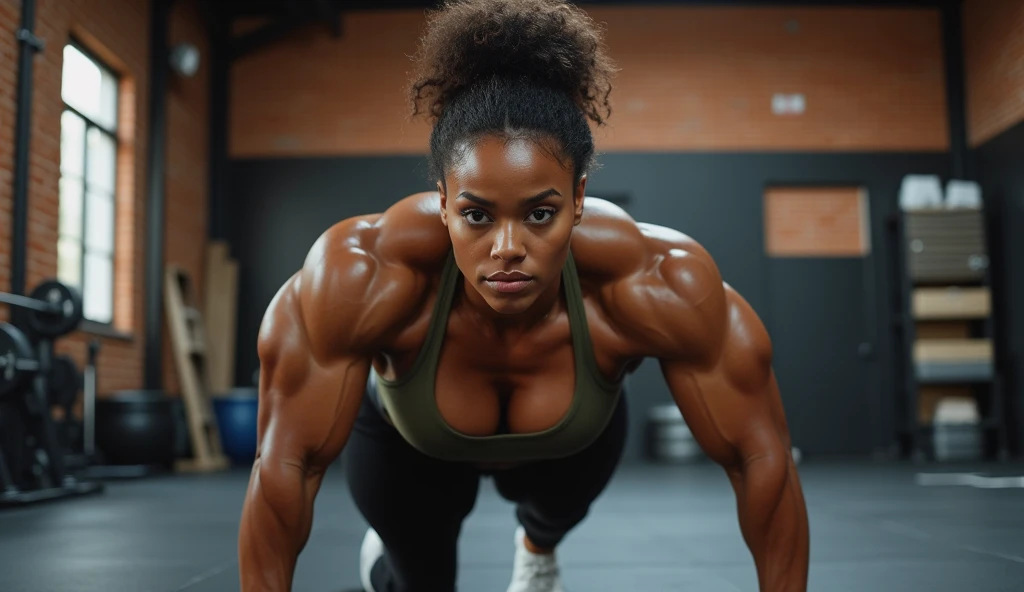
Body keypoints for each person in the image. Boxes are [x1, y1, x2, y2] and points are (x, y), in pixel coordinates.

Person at [237, 0, 810, 590]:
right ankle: (397, 555)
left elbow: (759, 460)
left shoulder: (656, 279)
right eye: (477, 215)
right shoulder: (362, 275)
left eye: (540, 213)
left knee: (559, 501)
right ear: (442, 200)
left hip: (567, 457)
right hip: (408, 451)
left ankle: (538, 546)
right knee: (418, 579)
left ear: (579, 197)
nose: (508, 247)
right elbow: (286, 468)